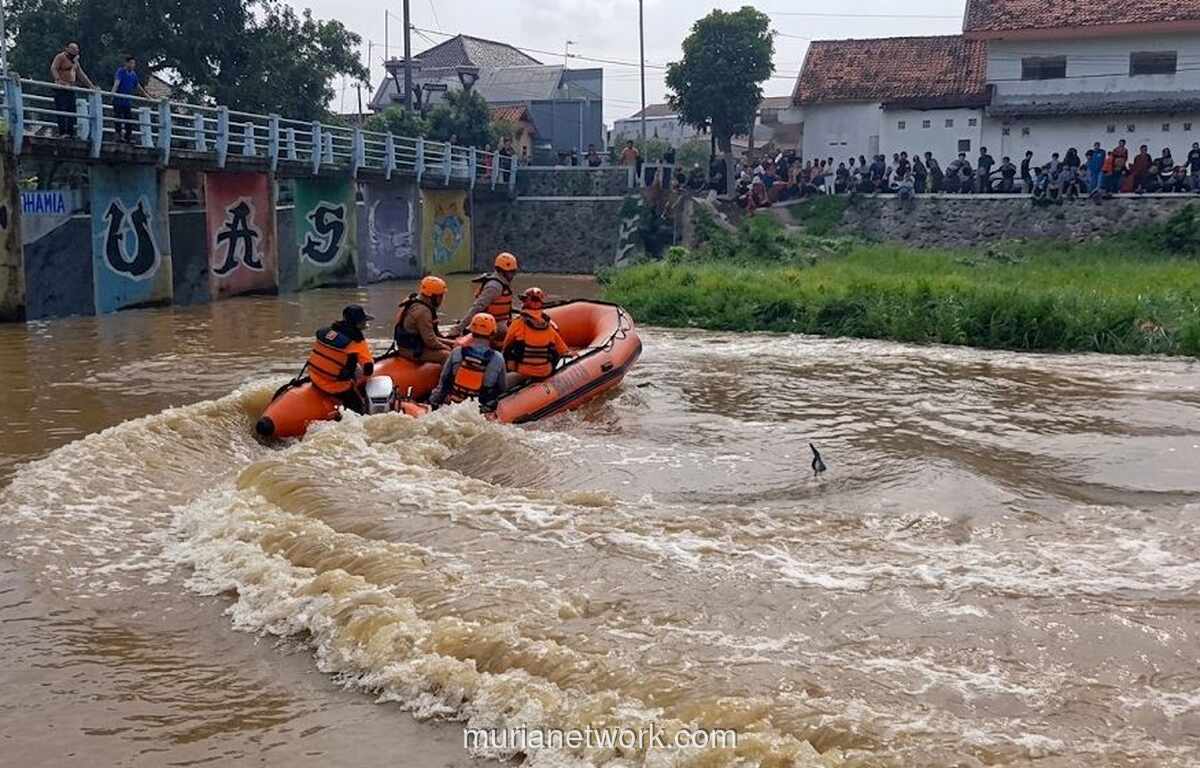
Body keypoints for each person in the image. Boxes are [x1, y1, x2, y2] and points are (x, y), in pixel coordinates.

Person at [429, 313, 507, 413]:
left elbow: (444, 381)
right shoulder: (498, 358)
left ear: (471, 332)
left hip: (453, 404)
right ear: (492, 334)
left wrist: (432, 402)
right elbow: (502, 388)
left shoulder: (457, 352)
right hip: (479, 409)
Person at [306, 305, 376, 414]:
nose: (365, 323)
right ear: (358, 323)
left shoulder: (328, 332)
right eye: (363, 321)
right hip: (336, 387)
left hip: (314, 377)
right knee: (360, 410)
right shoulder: (356, 342)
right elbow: (368, 369)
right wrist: (362, 382)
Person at [502, 287, 570, 385]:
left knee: (509, 351)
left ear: (527, 302)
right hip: (545, 371)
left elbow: (506, 346)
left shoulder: (518, 323)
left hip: (523, 371)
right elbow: (563, 350)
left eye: (524, 300)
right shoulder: (548, 325)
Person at [455, 252, 518, 342]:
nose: (513, 275)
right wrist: (459, 328)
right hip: (489, 324)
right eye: (510, 272)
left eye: (514, 272)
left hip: (498, 322)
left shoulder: (503, 283)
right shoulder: (494, 287)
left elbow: (505, 307)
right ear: (501, 271)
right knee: (511, 331)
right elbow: (477, 308)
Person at [393, 275, 455, 364]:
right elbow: (430, 341)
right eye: (440, 296)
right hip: (411, 350)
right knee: (447, 355)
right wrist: (447, 347)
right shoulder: (423, 312)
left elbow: (433, 336)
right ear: (432, 297)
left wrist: (452, 342)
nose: (442, 299)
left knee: (451, 347)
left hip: (415, 344)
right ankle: (447, 378)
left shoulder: (417, 302)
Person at [50, 41, 96, 138]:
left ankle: (70, 133)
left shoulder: (75, 62)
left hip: (70, 88)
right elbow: (53, 68)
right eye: (73, 49)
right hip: (61, 87)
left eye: (77, 49)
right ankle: (62, 132)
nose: (76, 51)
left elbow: (81, 75)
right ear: (67, 49)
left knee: (71, 110)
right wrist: (58, 80)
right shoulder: (60, 57)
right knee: (61, 109)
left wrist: (91, 86)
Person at [111, 55, 150, 143]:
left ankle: (128, 137)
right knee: (118, 119)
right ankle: (118, 136)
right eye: (131, 63)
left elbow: (138, 86)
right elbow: (117, 82)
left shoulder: (133, 74)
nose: (133, 65)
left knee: (128, 119)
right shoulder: (121, 71)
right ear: (126, 63)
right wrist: (112, 93)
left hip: (127, 102)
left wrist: (146, 96)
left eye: (134, 63)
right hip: (118, 100)